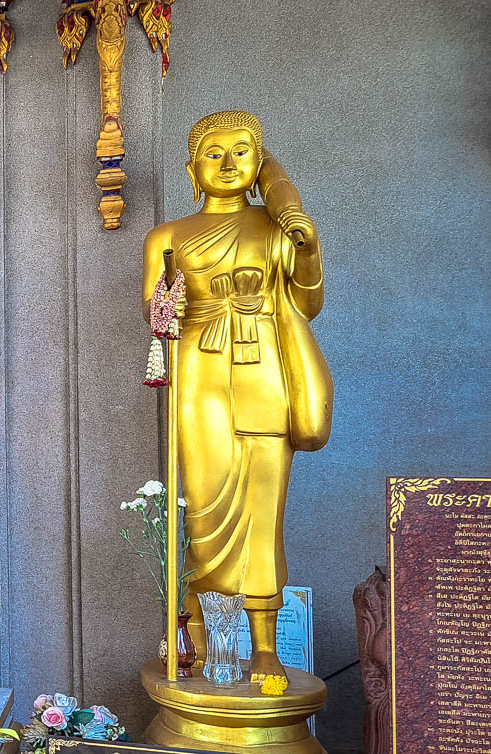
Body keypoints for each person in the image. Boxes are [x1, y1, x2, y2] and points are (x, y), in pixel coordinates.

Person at [142, 110, 332, 690]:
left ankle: (266, 646)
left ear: (258, 164)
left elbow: (308, 300)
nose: (228, 162)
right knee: (204, 508)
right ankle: (198, 640)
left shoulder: (277, 230)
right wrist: (166, 307)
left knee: (263, 509)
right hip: (199, 370)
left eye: (242, 151)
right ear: (192, 169)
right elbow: (154, 319)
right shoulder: (168, 237)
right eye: (214, 152)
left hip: (263, 368)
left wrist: (307, 247)